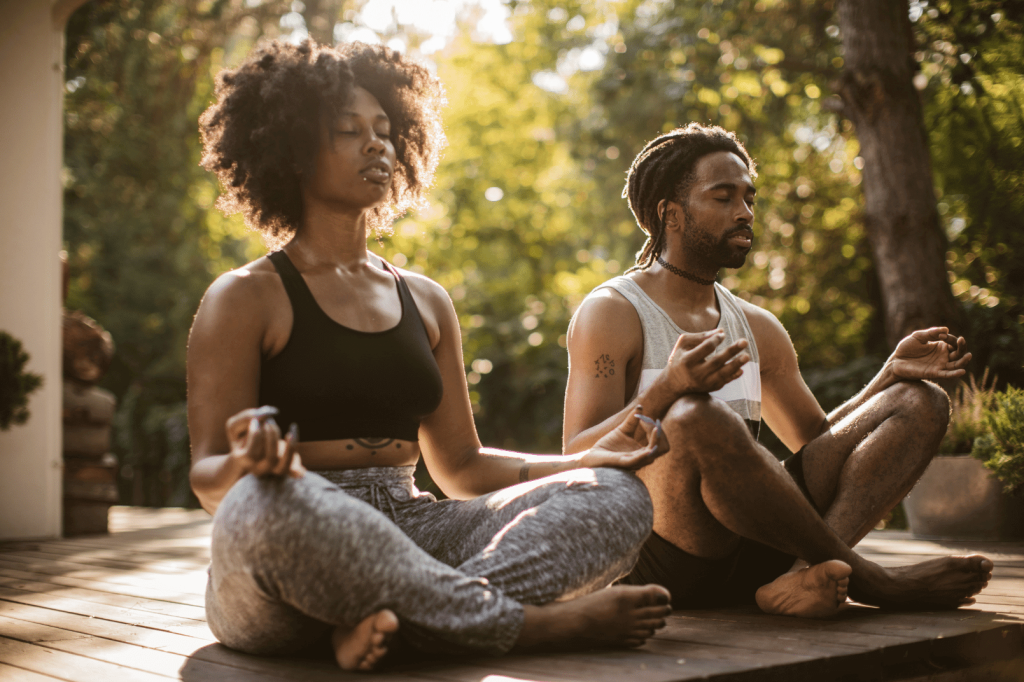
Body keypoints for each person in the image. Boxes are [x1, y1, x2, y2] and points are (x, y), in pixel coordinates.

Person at [188, 40, 672, 672]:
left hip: (410, 524)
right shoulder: (245, 296)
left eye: (386, 132)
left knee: (614, 494)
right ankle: (521, 627)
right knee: (266, 504)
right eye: (349, 132)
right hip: (290, 533)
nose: (377, 146)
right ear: (293, 151)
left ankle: (413, 626)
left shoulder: (425, 300)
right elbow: (206, 478)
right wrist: (246, 469)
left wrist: (582, 460)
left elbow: (462, 467)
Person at [562, 123, 993, 619]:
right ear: (670, 214)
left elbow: (818, 443)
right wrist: (669, 388)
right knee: (691, 419)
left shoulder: (758, 327)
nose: (744, 213)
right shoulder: (614, 312)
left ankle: (797, 580)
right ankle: (868, 577)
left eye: (749, 198)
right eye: (723, 197)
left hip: (758, 556)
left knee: (920, 401)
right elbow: (578, 453)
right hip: (663, 555)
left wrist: (887, 379)